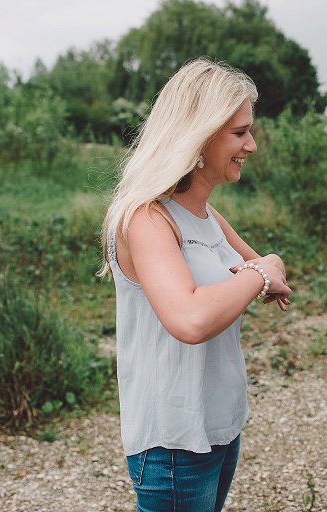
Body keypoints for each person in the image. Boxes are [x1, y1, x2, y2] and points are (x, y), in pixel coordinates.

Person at [98, 58, 291, 511]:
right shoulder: (147, 218)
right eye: (240, 133)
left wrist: (265, 270)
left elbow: (264, 268)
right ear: (199, 134)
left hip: (219, 426)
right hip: (174, 442)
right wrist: (261, 274)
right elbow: (190, 318)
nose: (251, 145)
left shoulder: (204, 214)